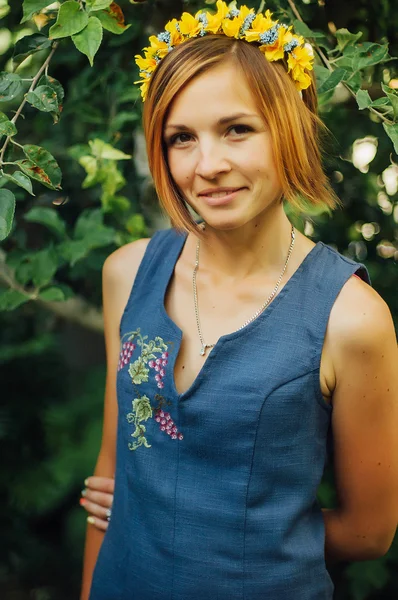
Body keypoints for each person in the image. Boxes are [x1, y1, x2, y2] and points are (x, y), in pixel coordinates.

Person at [80, 2, 398, 599]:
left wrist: (226, 535)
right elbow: (111, 484)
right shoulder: (127, 274)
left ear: (289, 127)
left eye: (237, 129)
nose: (209, 166)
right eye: (181, 138)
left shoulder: (350, 319)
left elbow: (369, 533)